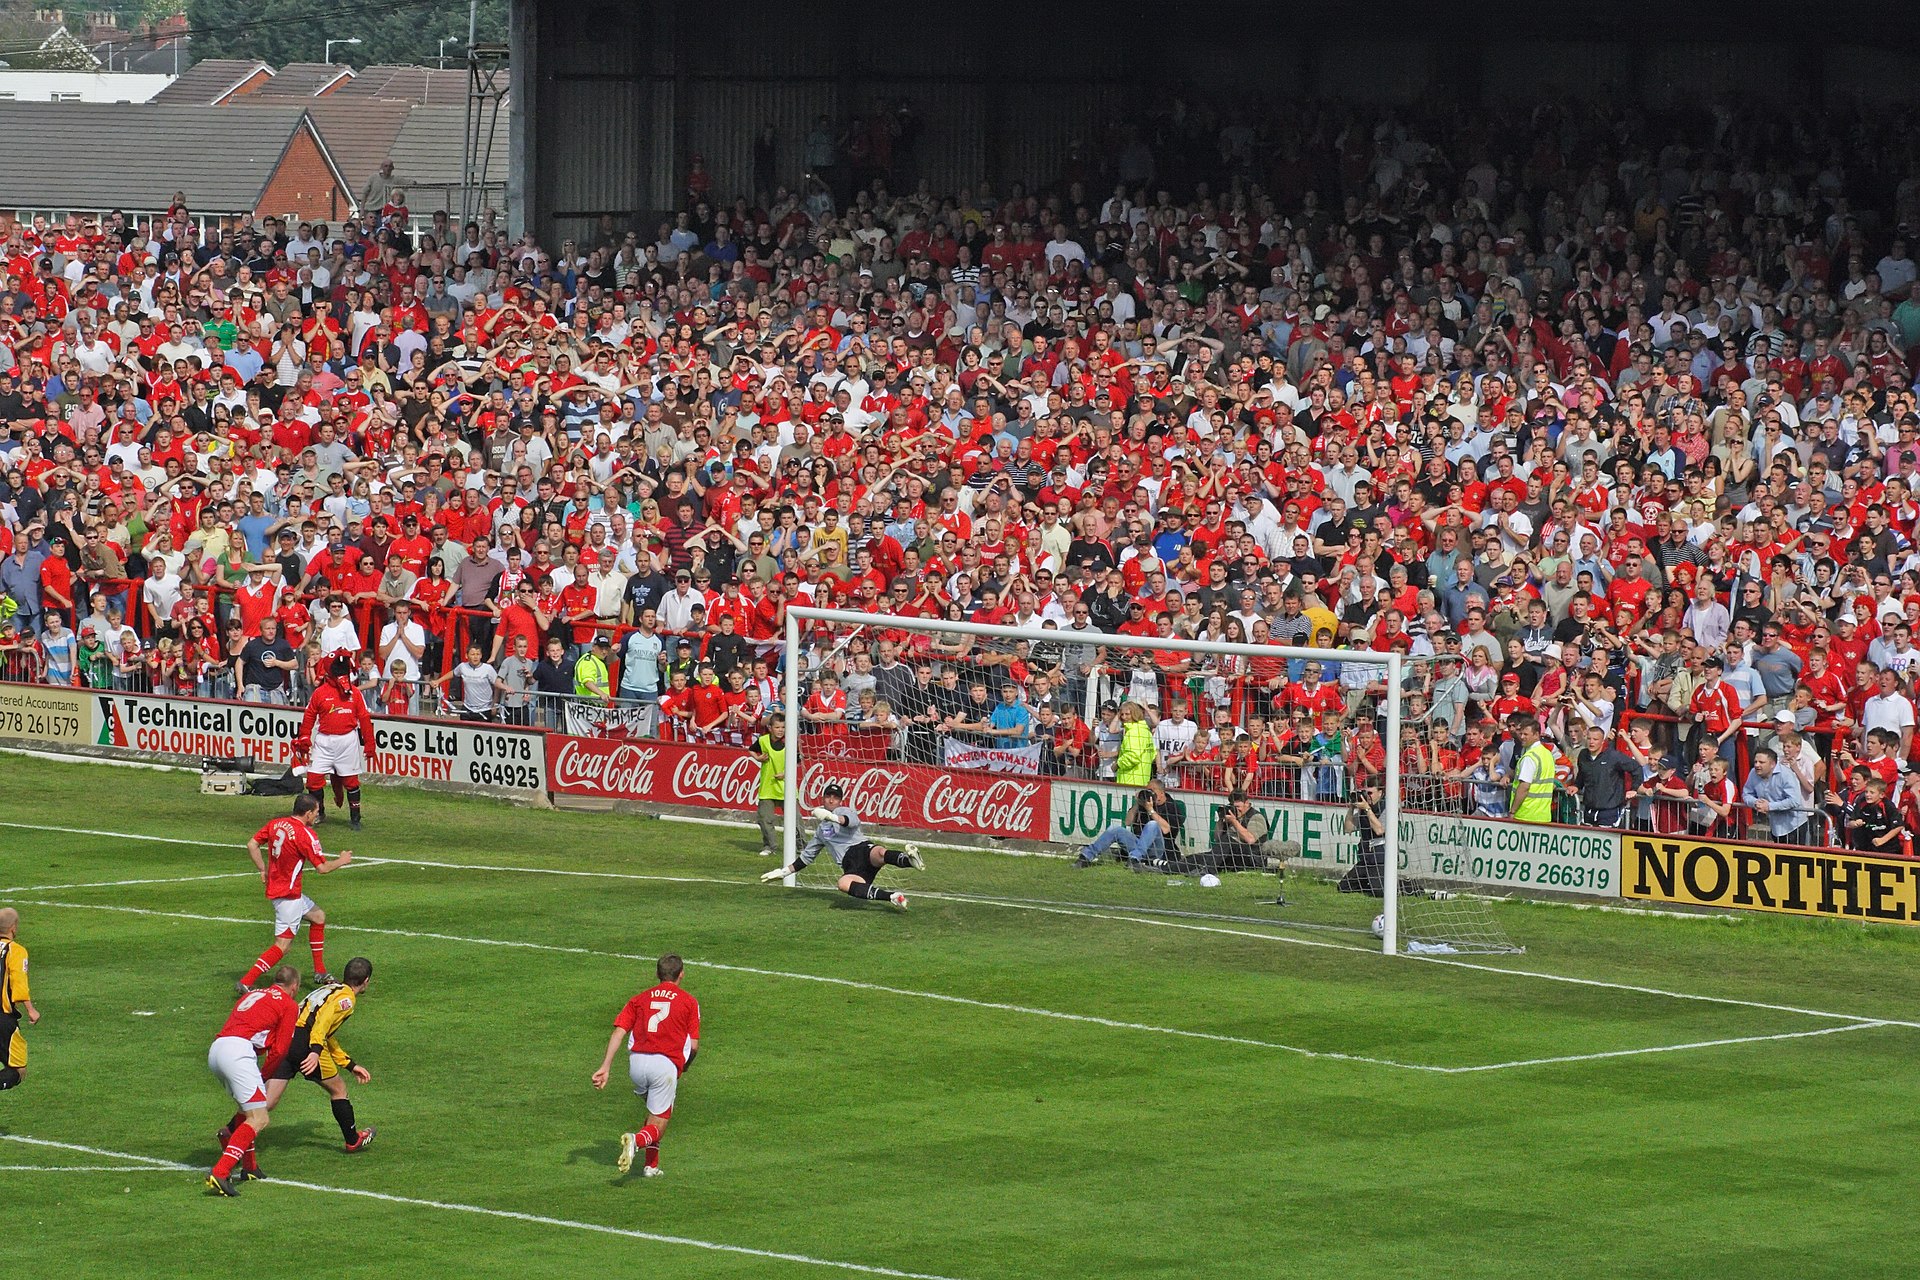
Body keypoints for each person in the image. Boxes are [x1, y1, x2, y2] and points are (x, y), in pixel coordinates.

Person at [591, 953, 702, 1178]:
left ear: (657, 974)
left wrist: (605, 1067)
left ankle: (651, 1166)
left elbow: (618, 1033)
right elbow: (693, 1045)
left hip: (637, 1064)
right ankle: (636, 1141)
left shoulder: (639, 999)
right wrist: (685, 1066)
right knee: (660, 1120)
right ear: (681, 974)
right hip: (664, 1065)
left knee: (656, 1112)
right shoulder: (689, 1001)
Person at [238, 794, 353, 994]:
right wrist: (342, 860)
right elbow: (322, 868)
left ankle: (320, 972)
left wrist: (262, 869)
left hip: (280, 890)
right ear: (308, 813)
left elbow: (252, 844)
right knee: (282, 946)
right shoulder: (305, 834)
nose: (317, 816)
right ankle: (246, 982)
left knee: (318, 917)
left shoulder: (276, 824)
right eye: (316, 812)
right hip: (288, 896)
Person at [205, 966, 302, 1197]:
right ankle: (220, 1172)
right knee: (260, 1117)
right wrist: (264, 1075)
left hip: (217, 1049)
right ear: (294, 986)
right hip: (238, 1053)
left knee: (246, 1109)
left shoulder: (254, 993)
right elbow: (280, 1049)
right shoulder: (289, 1004)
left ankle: (249, 1167)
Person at [263, 955, 376, 1154]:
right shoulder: (347, 999)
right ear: (366, 981)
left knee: (267, 1102)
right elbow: (321, 1025)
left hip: (286, 1036)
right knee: (339, 1089)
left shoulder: (329, 988)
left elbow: (322, 1029)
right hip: (306, 1042)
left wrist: (349, 1064)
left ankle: (231, 1130)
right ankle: (353, 1140)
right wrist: (315, 1051)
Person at [758, 782, 923, 907]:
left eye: (835, 797)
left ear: (840, 801)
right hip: (850, 865)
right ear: (823, 798)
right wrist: (783, 872)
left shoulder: (843, 811)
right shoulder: (821, 832)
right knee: (843, 884)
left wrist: (832, 817)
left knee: (879, 852)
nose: (831, 800)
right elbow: (806, 858)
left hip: (862, 850)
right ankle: (892, 897)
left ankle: (911, 861)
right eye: (828, 796)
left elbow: (851, 822)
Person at [296, 651, 378, 829]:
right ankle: (319, 812)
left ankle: (355, 818)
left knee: (351, 782)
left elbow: (364, 718)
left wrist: (370, 744)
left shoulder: (355, 693)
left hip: (347, 741)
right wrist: (304, 737)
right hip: (324, 741)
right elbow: (309, 715)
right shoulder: (320, 693)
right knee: (313, 780)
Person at [1074, 781, 1183, 869]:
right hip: (1138, 846)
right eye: (1147, 791)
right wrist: (1137, 804)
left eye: (1152, 791)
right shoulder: (1143, 805)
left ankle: (1135, 859)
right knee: (1115, 829)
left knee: (1153, 824)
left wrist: (1151, 810)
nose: (1149, 794)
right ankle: (1085, 857)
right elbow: (1127, 822)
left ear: (1162, 793)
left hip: (1159, 850)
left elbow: (1166, 829)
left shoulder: (1172, 806)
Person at [1742, 746, 1814, 845]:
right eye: (1755, 762)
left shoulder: (1786, 775)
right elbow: (1746, 794)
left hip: (1794, 826)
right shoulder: (1753, 773)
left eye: (1761, 762)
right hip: (1775, 827)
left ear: (1772, 764)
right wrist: (1755, 802)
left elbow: (1794, 800)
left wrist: (1769, 806)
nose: (1757, 765)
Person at [0, 907, 38, 1090]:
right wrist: (30, 1009)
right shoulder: (15, 951)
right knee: (18, 1069)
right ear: (13, 928)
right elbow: (18, 981)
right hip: (2, 1020)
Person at [1572, 725, 1637, 828]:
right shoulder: (1583, 755)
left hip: (1609, 811)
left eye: (1595, 739)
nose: (1591, 742)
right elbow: (1582, 774)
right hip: (1589, 809)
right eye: (1589, 739)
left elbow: (1636, 768)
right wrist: (1576, 786)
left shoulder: (1613, 756)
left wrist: (1634, 789)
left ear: (1603, 741)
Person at [1507, 713, 1556, 823]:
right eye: (1521, 733)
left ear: (1536, 735)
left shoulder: (1529, 758)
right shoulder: (1547, 754)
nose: (1522, 737)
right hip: (1543, 815)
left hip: (1525, 814)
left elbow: (1524, 787)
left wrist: (1513, 811)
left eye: (1526, 734)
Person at [750, 716, 787, 857]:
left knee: (795, 821)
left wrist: (786, 773)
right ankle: (769, 846)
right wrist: (757, 758)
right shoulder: (763, 740)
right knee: (764, 819)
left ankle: (801, 847)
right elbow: (751, 749)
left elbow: (798, 762)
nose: (780, 730)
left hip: (786, 788)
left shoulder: (790, 742)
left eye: (783, 727)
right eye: (777, 727)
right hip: (767, 787)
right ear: (770, 728)